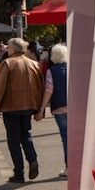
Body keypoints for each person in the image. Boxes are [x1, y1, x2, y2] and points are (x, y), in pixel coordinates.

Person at [0, 37, 43, 183]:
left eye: (9, 47)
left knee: (13, 141)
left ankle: (19, 173)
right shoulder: (33, 64)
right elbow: (40, 87)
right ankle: (32, 159)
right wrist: (39, 109)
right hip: (29, 106)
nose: (7, 49)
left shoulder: (7, 63)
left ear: (13, 49)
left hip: (11, 107)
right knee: (26, 135)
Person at [36, 44, 68, 178]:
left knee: (66, 138)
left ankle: (69, 167)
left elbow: (49, 90)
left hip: (59, 107)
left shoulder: (51, 71)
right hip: (75, 107)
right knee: (76, 138)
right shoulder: (72, 68)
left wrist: (42, 108)